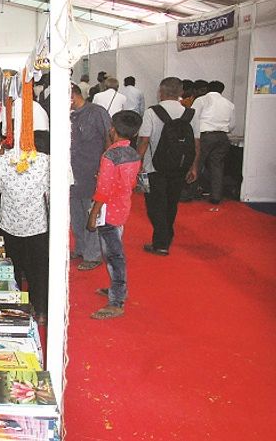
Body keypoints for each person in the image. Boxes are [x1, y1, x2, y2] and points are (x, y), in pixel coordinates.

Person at [0, 129, 51, 324]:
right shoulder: (46, 161)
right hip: (37, 225)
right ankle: (40, 310)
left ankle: (15, 308)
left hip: (10, 224)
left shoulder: (3, 160)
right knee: (39, 269)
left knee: (12, 267)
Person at [87, 111, 143, 320]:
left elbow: (103, 189)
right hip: (123, 206)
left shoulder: (110, 155)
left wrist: (93, 214)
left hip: (108, 210)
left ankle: (117, 300)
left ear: (112, 129)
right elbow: (129, 181)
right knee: (113, 252)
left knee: (114, 255)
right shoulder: (133, 153)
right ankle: (117, 289)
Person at [137, 77, 200, 256]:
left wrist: (137, 164)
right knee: (171, 203)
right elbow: (196, 143)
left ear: (161, 92)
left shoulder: (152, 112)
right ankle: (167, 235)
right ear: (181, 93)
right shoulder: (191, 114)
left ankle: (161, 242)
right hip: (180, 167)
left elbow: (144, 141)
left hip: (153, 168)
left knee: (154, 204)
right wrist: (193, 166)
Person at [70, 82, 111, 270]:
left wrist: (106, 168)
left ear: (72, 96)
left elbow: (109, 139)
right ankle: (81, 247)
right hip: (72, 173)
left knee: (91, 214)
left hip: (92, 171)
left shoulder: (96, 112)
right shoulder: (68, 115)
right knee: (75, 213)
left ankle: (93, 254)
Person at [191, 80, 235, 208]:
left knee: (197, 163)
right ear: (222, 90)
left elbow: (193, 118)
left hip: (205, 136)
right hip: (222, 137)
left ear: (208, 89)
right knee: (217, 166)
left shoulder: (201, 100)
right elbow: (232, 125)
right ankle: (216, 196)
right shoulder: (229, 104)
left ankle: (191, 192)